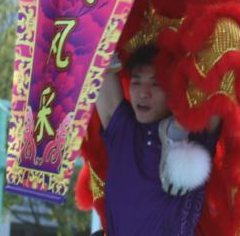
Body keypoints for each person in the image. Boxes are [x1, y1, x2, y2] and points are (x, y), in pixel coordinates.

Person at [95, 45, 221, 235]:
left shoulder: (196, 135)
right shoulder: (122, 130)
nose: (143, 93)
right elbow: (98, 56)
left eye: (156, 84)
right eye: (136, 82)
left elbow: (221, 73)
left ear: (175, 90)